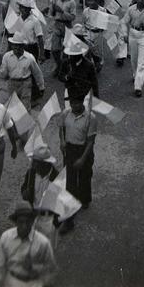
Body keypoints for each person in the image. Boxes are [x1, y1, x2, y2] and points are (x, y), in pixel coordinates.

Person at [0, 202, 56, 287]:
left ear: (32, 222)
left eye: (28, 222)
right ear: (16, 222)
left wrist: (37, 269)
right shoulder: (6, 237)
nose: (24, 226)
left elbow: (50, 269)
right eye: (21, 222)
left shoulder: (43, 242)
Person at [58, 96, 97, 232]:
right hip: (70, 150)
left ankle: (85, 198)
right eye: (72, 102)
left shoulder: (91, 117)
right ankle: (69, 221)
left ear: (82, 102)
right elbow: (61, 129)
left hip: (84, 150)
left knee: (85, 177)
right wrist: (62, 141)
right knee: (70, 184)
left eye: (77, 102)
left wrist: (82, 159)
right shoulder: (65, 113)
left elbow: (91, 141)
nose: (74, 105)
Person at [0, 31, 45, 111]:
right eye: (15, 45)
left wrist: (41, 86)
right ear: (12, 45)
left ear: (23, 46)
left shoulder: (29, 58)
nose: (17, 48)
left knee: (25, 108)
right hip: (12, 83)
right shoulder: (7, 57)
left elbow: (37, 73)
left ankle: (26, 122)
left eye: (19, 46)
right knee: (12, 108)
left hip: (25, 84)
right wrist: (0, 65)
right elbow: (4, 75)